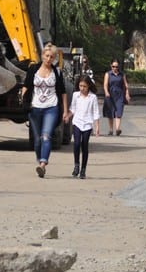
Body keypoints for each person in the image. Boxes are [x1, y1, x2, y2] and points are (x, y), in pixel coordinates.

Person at [20, 43, 69, 178]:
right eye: (47, 56)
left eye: (51, 57)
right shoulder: (33, 70)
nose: (49, 59)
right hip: (35, 109)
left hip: (51, 108)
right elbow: (26, 86)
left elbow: (63, 92)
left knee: (46, 136)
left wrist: (65, 111)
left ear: (54, 59)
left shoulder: (57, 72)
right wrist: (23, 100)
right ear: (42, 56)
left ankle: (42, 164)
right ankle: (39, 159)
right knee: (37, 140)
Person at [68, 75, 100, 179]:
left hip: (87, 124)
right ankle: (76, 165)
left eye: (84, 86)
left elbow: (96, 112)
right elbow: (72, 108)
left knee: (84, 145)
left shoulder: (93, 97)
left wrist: (97, 127)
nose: (82, 88)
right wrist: (67, 115)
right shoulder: (75, 95)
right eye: (80, 86)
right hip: (77, 122)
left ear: (89, 86)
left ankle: (83, 169)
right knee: (76, 144)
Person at [103, 59, 130, 136]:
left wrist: (127, 93)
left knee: (119, 111)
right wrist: (106, 92)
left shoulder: (122, 74)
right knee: (110, 112)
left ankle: (117, 129)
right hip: (110, 94)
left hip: (119, 94)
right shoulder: (108, 74)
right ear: (111, 66)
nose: (115, 68)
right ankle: (111, 129)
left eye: (116, 67)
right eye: (113, 66)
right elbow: (105, 85)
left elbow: (125, 85)